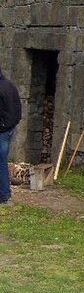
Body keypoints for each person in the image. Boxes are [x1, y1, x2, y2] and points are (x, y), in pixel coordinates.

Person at [0, 66, 22, 205]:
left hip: (2, 130)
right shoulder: (10, 85)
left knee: (1, 162)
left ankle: (5, 195)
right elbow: (18, 108)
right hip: (9, 128)